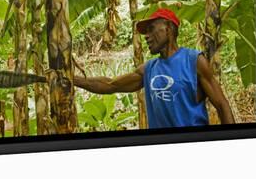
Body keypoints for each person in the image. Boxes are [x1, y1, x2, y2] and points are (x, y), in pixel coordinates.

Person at [74, 8, 235, 128]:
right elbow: (110, 85)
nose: (146, 36)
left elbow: (222, 105)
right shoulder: (149, 69)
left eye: (151, 29)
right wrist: (73, 79)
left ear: (168, 28)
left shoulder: (194, 61)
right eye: (145, 32)